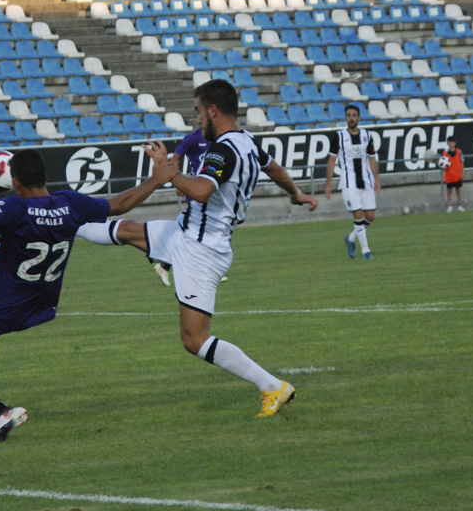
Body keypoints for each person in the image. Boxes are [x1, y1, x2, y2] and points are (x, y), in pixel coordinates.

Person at [76, 79, 318, 417]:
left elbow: (202, 191)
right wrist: (294, 193)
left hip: (201, 251)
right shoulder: (247, 142)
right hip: (186, 234)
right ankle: (62, 222)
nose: (197, 119)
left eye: (198, 112)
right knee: (128, 230)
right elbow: (273, 169)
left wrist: (169, 174)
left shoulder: (223, 149)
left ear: (213, 110)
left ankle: (272, 386)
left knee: (194, 339)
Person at [0, 144, 176, 443]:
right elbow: (120, 204)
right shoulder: (72, 204)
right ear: (45, 176)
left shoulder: (16, 209)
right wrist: (155, 179)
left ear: (15, 182)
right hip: (38, 305)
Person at [151, 128, 210, 286]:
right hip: (195, 187)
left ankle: (164, 265)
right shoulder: (193, 138)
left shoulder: (219, 137)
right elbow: (175, 158)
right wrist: (179, 181)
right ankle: (203, 269)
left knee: (193, 226)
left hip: (210, 187)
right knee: (199, 223)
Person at [324, 103, 380, 260]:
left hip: (366, 181)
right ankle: (366, 250)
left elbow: (372, 158)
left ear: (359, 118)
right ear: (345, 118)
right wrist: (328, 183)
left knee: (370, 216)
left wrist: (376, 178)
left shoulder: (367, 136)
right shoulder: (339, 137)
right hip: (349, 182)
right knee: (358, 214)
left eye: (354, 115)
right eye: (349, 115)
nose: (351, 118)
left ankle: (351, 238)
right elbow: (331, 161)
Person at [441, 136, 465, 212]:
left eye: (452, 142)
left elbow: (461, 162)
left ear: (455, 143)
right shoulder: (445, 153)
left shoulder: (459, 151)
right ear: (448, 143)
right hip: (449, 175)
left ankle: (460, 205)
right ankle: (450, 206)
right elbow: (443, 164)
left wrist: (462, 172)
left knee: (458, 191)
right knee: (449, 191)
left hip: (457, 175)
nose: (451, 144)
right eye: (449, 142)